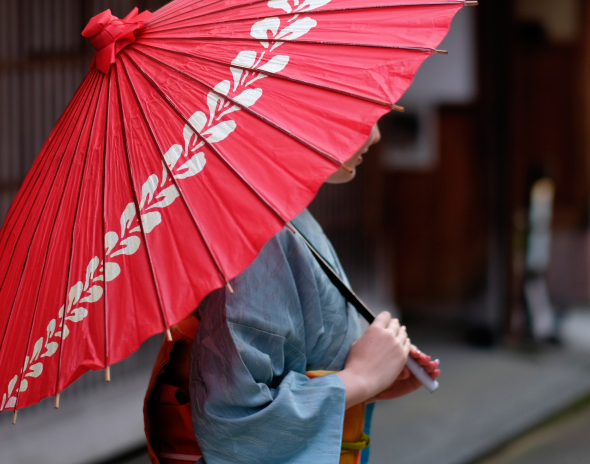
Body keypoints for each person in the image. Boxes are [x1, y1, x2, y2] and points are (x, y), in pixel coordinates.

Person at [185, 123, 440, 463]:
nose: (376, 135)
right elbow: (234, 422)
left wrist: (377, 379)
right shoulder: (262, 243)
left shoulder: (283, 217)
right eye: (362, 116)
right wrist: (360, 377)